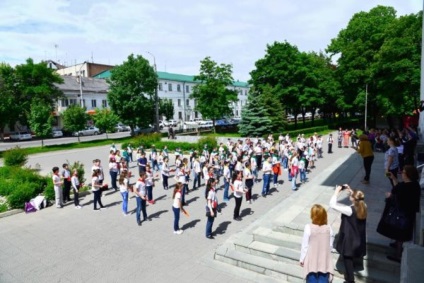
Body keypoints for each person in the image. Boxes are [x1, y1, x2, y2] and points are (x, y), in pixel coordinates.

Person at [377, 165, 421, 263]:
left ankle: (398, 255)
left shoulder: (408, 187)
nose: (401, 174)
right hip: (405, 214)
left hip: (402, 215)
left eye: (403, 172)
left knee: (400, 233)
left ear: (408, 175)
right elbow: (398, 187)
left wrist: (390, 196)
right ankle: (397, 245)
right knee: (399, 232)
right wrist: (393, 178)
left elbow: (401, 199)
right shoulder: (413, 184)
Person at [330, 185, 367, 283]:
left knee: (347, 257)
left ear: (353, 199)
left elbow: (332, 205)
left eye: (351, 195)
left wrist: (337, 192)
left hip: (350, 239)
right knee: (352, 254)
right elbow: (357, 198)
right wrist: (350, 189)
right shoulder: (364, 206)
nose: (349, 196)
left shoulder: (349, 210)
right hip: (358, 237)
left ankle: (350, 280)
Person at [299, 204, 334, 283]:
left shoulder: (308, 227)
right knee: (324, 279)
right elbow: (330, 246)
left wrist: (302, 259)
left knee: (311, 279)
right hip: (324, 259)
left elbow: (305, 245)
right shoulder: (329, 228)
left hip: (311, 259)